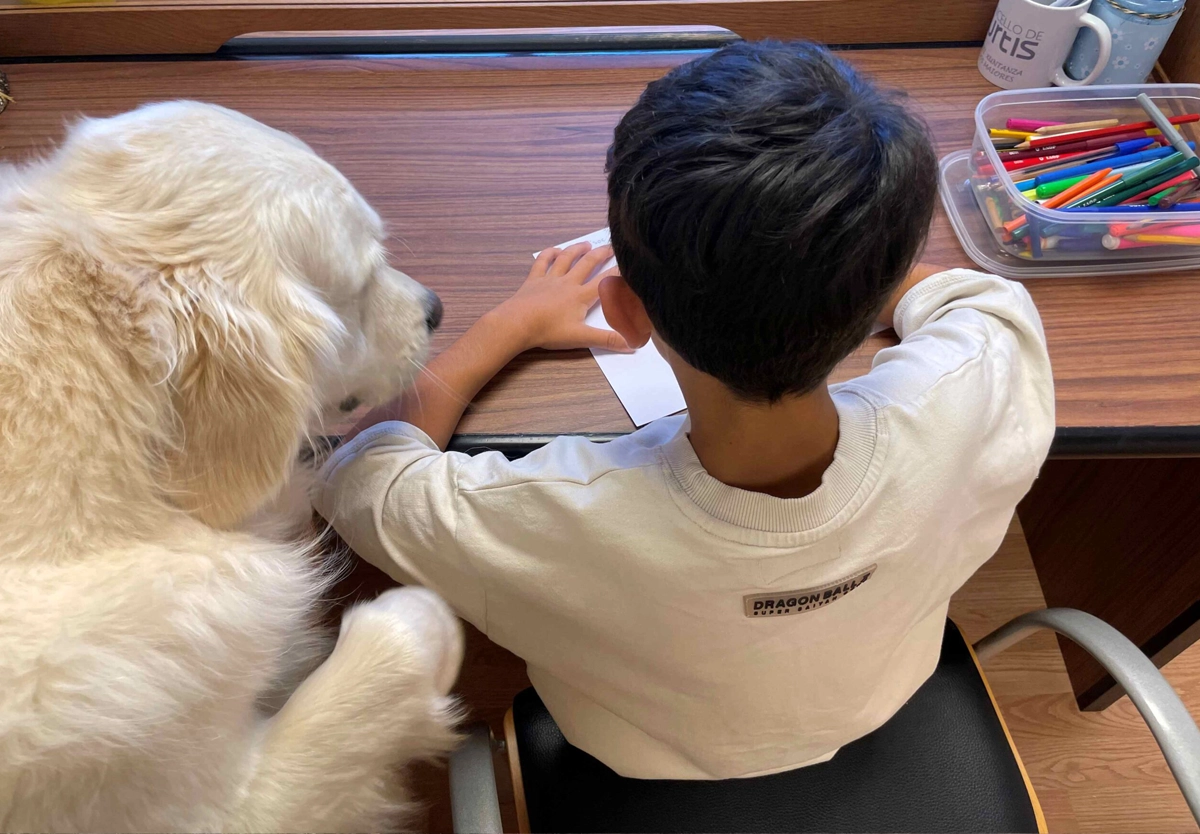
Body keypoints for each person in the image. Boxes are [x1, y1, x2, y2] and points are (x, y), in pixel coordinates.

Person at [314, 40, 1054, 780]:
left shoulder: (547, 515)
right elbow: (977, 298)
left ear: (624, 311)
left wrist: (510, 324)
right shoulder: (968, 388)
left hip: (636, 757)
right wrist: (839, 257)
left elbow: (362, 474)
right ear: (873, 297)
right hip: (879, 697)